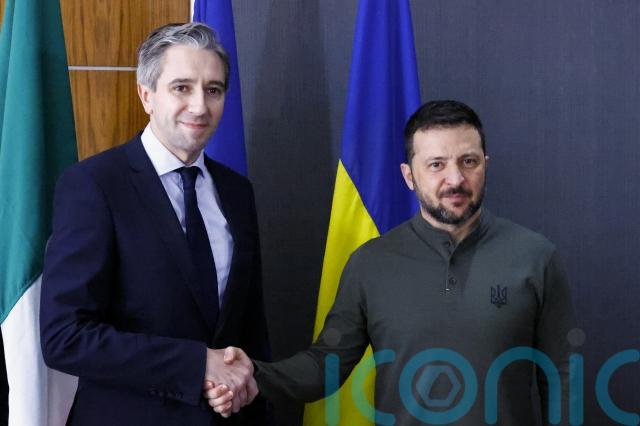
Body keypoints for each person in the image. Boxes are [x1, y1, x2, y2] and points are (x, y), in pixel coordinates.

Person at [208, 100, 577, 425]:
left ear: (485, 165)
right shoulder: (370, 263)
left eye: (469, 161)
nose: (455, 179)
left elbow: (562, 375)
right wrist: (253, 374)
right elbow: (325, 364)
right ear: (409, 176)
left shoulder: (535, 257)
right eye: (436, 164)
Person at [40, 22, 268, 425]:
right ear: (146, 95)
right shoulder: (94, 185)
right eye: (182, 88)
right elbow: (65, 336)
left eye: (213, 90)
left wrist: (247, 382)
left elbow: (249, 327)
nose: (199, 106)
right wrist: (197, 364)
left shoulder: (237, 192)